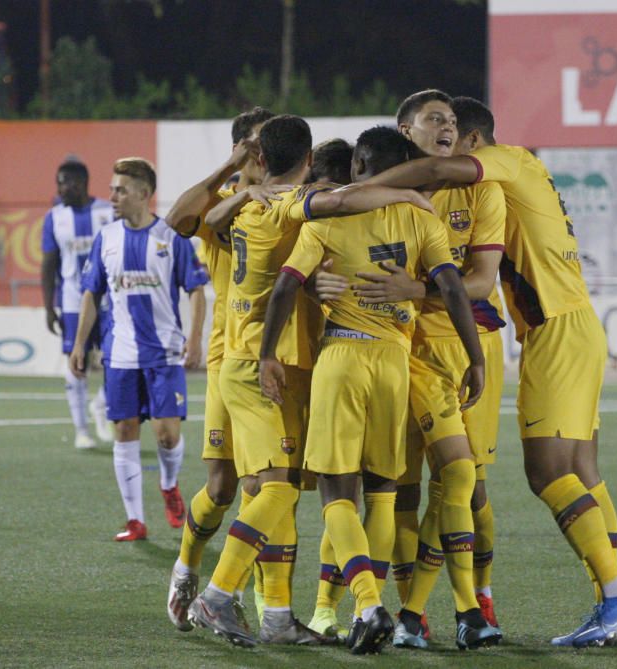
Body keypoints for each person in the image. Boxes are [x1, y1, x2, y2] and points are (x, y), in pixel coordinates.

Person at [360, 98, 617, 648]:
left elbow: (446, 183)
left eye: (453, 129)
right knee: (583, 472)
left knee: (546, 473)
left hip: (554, 330)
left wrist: (360, 189)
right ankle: (609, 600)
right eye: (433, 123)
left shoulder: (507, 163)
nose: (445, 137)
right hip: (568, 325)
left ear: (473, 144)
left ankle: (616, 597)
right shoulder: (495, 186)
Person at [185, 116, 434, 649]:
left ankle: (278, 615)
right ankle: (217, 594)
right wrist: (409, 193)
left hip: (275, 362)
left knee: (287, 490)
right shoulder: (291, 205)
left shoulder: (250, 203)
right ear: (305, 163)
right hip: (257, 361)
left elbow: (216, 222)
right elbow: (337, 204)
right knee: (270, 489)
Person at [257, 125, 486, 654]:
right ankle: (375, 606)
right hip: (395, 364)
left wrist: (269, 353)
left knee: (338, 493)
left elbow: (287, 284)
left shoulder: (331, 216)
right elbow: (451, 285)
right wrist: (474, 357)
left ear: (358, 166)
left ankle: (365, 603)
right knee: (382, 492)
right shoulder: (420, 216)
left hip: (343, 356)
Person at [163, 106, 273, 633]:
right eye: (251, 143)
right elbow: (176, 221)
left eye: (265, 143)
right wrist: (230, 174)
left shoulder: (286, 195)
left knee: (265, 485)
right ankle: (187, 566)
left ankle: (251, 602)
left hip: (270, 355)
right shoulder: (220, 203)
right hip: (226, 355)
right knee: (223, 486)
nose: (260, 152)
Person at [70, 157, 208, 542]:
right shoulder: (107, 238)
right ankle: (135, 520)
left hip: (164, 354)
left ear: (145, 195)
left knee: (167, 436)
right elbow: (90, 294)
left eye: (121, 190)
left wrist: (195, 340)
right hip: (121, 354)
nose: (112, 196)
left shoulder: (172, 237)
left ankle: (168, 485)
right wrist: (80, 344)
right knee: (125, 431)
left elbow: (197, 291)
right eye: (113, 188)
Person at [41, 158, 114, 450]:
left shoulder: (107, 212)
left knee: (116, 360)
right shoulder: (54, 217)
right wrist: (48, 307)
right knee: (77, 363)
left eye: (66, 183)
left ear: (82, 183)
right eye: (58, 183)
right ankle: (81, 430)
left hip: (110, 302)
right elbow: (48, 264)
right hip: (72, 303)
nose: (61, 189)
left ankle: (102, 406)